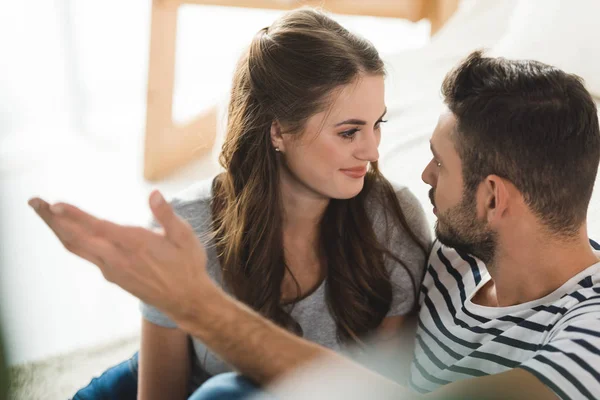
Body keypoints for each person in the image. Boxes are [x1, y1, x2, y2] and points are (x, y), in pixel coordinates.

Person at [29, 48, 600, 400]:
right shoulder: (457, 256)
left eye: (441, 164)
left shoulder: (588, 336)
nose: (422, 174)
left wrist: (197, 304)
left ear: (493, 198)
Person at [61, 8, 431, 400]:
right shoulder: (189, 225)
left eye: (378, 125)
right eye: (349, 132)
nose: (373, 151)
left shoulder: (393, 220)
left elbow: (380, 393)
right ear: (278, 131)